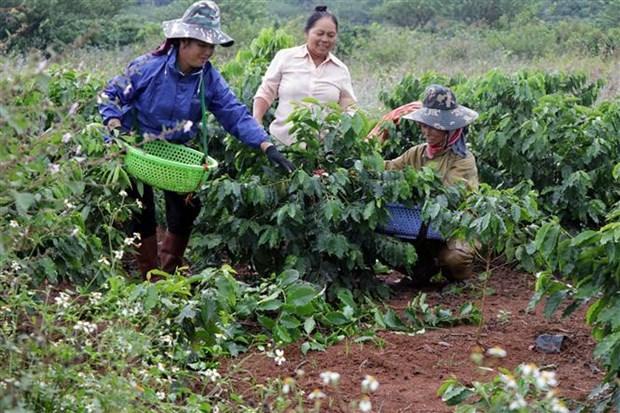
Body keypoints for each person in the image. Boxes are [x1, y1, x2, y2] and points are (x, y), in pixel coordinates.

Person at [98, 1, 294, 278]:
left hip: (175, 151)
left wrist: (266, 145)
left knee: (187, 208)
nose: (207, 52)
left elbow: (234, 114)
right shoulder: (148, 67)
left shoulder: (209, 79)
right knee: (140, 211)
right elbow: (110, 95)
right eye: (201, 44)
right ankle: (147, 274)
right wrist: (115, 126)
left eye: (211, 46)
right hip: (136, 147)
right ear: (182, 42)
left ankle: (169, 270)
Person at [383, 84, 479, 282]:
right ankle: (424, 270)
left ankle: (458, 278)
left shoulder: (462, 159)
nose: (426, 131)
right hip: (421, 225)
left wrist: (410, 185)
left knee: (455, 258)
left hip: (455, 226)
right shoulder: (416, 152)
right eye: (424, 125)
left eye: (433, 127)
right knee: (383, 244)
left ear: (450, 129)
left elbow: (449, 196)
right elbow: (387, 169)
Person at [253, 5, 357, 146]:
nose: (325, 39)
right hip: (281, 145)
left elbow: (349, 107)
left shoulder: (340, 69)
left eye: (331, 35)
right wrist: (257, 123)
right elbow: (266, 92)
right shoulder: (286, 57)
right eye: (319, 33)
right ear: (307, 32)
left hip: (322, 153)